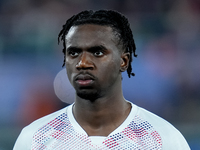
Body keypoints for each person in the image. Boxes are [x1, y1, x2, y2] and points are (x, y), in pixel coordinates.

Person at [13, 10, 190, 150]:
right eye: (73, 52)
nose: (82, 63)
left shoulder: (162, 139)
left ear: (124, 61)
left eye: (97, 52)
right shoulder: (35, 138)